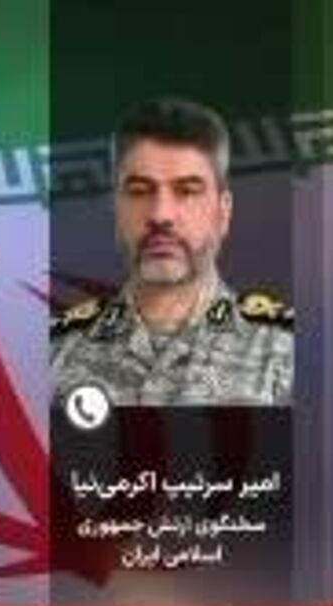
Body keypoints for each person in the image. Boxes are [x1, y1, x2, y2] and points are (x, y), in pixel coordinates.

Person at [51, 97, 293, 406]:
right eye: (140, 191)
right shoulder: (54, 351)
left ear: (223, 212)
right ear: (115, 208)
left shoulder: (290, 352)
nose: (160, 214)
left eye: (187, 191)